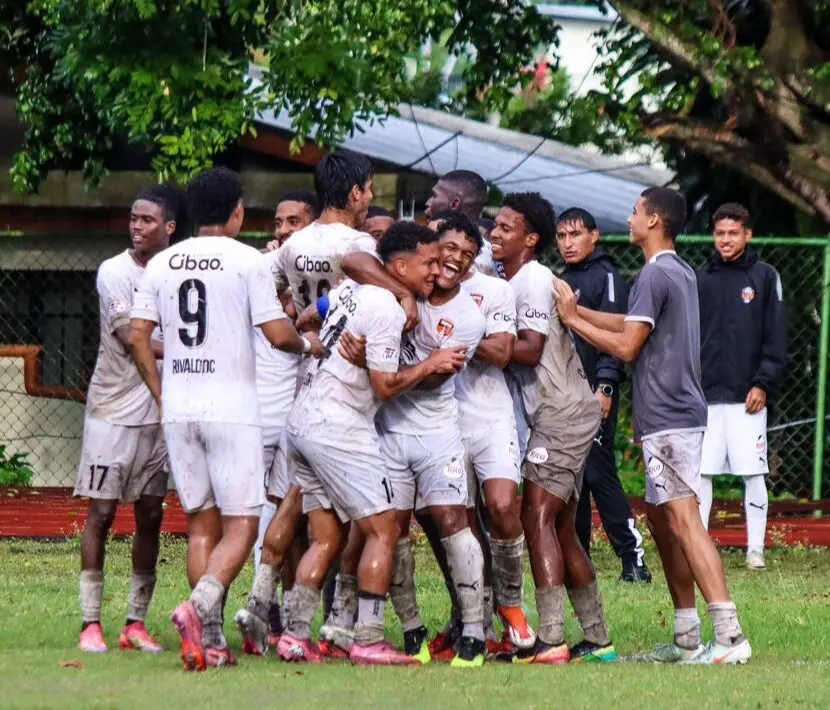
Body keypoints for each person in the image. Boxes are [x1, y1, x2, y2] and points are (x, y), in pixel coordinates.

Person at [243, 222, 467, 665]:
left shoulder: (353, 291)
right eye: (428, 262)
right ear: (399, 266)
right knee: (383, 530)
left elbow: (321, 309)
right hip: (339, 427)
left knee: (326, 536)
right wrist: (431, 364)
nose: (435, 271)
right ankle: (367, 638)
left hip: (305, 418)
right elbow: (385, 386)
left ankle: (294, 635)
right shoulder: (386, 307)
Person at [129, 167, 321, 671]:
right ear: (237, 213)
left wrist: (161, 393)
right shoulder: (247, 262)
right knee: (243, 523)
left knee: (200, 525)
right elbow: (279, 335)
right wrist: (309, 343)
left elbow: (136, 337)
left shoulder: (161, 264)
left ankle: (211, 642)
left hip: (181, 407)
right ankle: (196, 609)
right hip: (232, 408)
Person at [555, 186, 752, 665]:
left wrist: (569, 319)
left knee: (685, 521)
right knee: (666, 524)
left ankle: (729, 637)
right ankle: (687, 637)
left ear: (655, 220)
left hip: (670, 416)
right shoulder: (677, 269)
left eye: (636, 212)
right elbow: (630, 322)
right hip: (669, 416)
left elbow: (625, 348)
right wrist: (579, 310)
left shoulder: (652, 273)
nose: (629, 218)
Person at [238, 151, 418, 657]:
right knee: (367, 519)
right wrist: (404, 295)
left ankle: (263, 606)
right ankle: (352, 627)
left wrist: (300, 318)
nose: (371, 200)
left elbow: (271, 290)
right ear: (357, 191)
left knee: (299, 503)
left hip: (308, 376)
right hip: (349, 380)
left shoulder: (294, 244)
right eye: (369, 190)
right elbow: (365, 284)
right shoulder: (360, 244)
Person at [491, 193, 613, 665]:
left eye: (505, 228)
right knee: (562, 528)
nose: (495, 234)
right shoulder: (512, 277)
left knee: (535, 517)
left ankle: (551, 638)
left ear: (530, 238)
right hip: (559, 411)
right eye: (495, 226)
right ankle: (599, 640)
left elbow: (529, 348)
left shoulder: (535, 279)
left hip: (560, 412)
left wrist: (471, 341)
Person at [75, 185, 188, 654]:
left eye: (147, 220)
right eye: (133, 218)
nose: (137, 226)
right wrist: (196, 350)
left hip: (160, 415)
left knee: (151, 514)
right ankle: (90, 624)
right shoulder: (114, 272)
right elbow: (131, 339)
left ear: (170, 228)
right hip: (114, 409)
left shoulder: (177, 270)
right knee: (101, 513)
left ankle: (134, 623)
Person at [374, 216, 488, 667]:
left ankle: (474, 632)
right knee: (392, 529)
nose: (443, 267)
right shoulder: (389, 292)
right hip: (387, 433)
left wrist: (389, 371)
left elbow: (431, 380)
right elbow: (359, 261)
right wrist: (402, 294)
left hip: (437, 433)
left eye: (455, 260)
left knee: (451, 520)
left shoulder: (467, 317)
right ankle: (410, 630)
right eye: (436, 258)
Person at [555, 207, 651, 583]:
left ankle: (634, 559)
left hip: (596, 391)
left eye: (575, 235)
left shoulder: (607, 276)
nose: (567, 243)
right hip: (565, 395)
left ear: (594, 236)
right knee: (573, 476)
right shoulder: (563, 278)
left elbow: (620, 337)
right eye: (561, 237)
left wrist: (606, 386)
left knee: (598, 473)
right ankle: (580, 560)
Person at [697, 203, 787, 571]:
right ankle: (698, 547)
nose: (726, 240)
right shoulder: (700, 277)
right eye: (720, 233)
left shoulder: (765, 277)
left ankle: (755, 550)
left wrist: (763, 382)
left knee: (753, 471)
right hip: (704, 394)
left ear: (747, 234)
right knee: (701, 473)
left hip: (748, 396)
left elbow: (776, 336)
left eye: (733, 233)